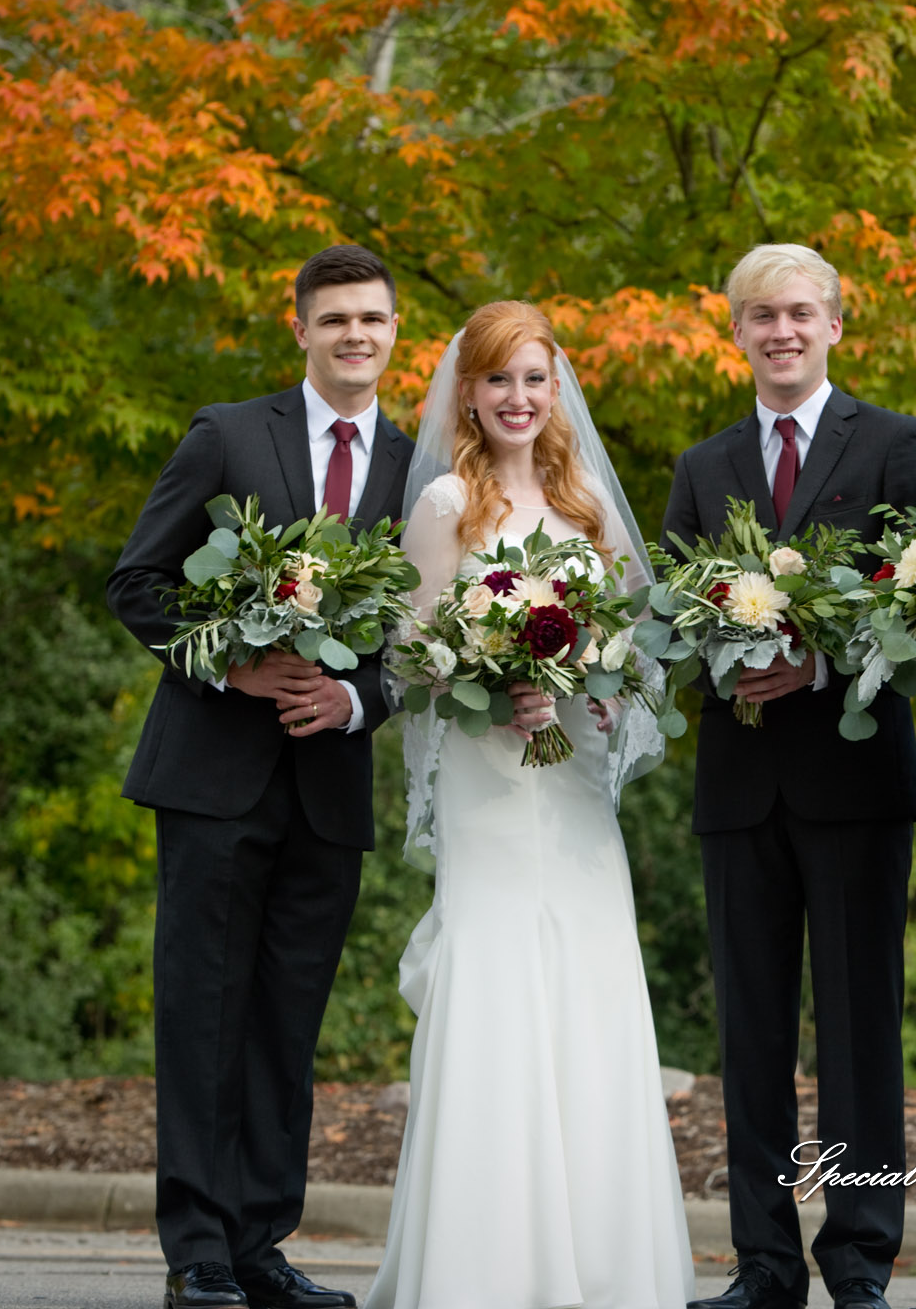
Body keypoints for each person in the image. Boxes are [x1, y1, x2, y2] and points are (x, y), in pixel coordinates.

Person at [362, 300, 693, 1309]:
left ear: (555, 391)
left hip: (573, 785)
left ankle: (601, 1257)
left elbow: (634, 649)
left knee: (588, 980)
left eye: (533, 379)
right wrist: (487, 668)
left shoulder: (586, 500)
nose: (516, 397)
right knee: (497, 978)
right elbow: (406, 656)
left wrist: (584, 676)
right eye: (498, 378)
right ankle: (482, 1262)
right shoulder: (441, 506)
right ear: (467, 391)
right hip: (487, 782)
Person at [108, 244, 415, 1309]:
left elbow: (418, 639)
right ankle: (195, 1247)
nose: (353, 337)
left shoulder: (417, 468)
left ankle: (258, 1242)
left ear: (393, 331)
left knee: (289, 1022)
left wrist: (358, 697)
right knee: (200, 1012)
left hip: (329, 786)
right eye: (334, 320)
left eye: (370, 320)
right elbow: (137, 581)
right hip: (211, 776)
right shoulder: (229, 433)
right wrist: (233, 663)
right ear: (300, 328)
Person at [663, 245, 916, 1309]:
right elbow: (678, 626)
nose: (779, 330)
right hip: (739, 785)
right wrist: (726, 655)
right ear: (735, 331)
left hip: (855, 779)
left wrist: (819, 659)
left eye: (798, 313)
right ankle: (763, 1262)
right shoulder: (703, 464)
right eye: (759, 315)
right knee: (751, 1035)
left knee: (861, 1026)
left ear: (834, 322)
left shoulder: (893, 444)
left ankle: (861, 1256)